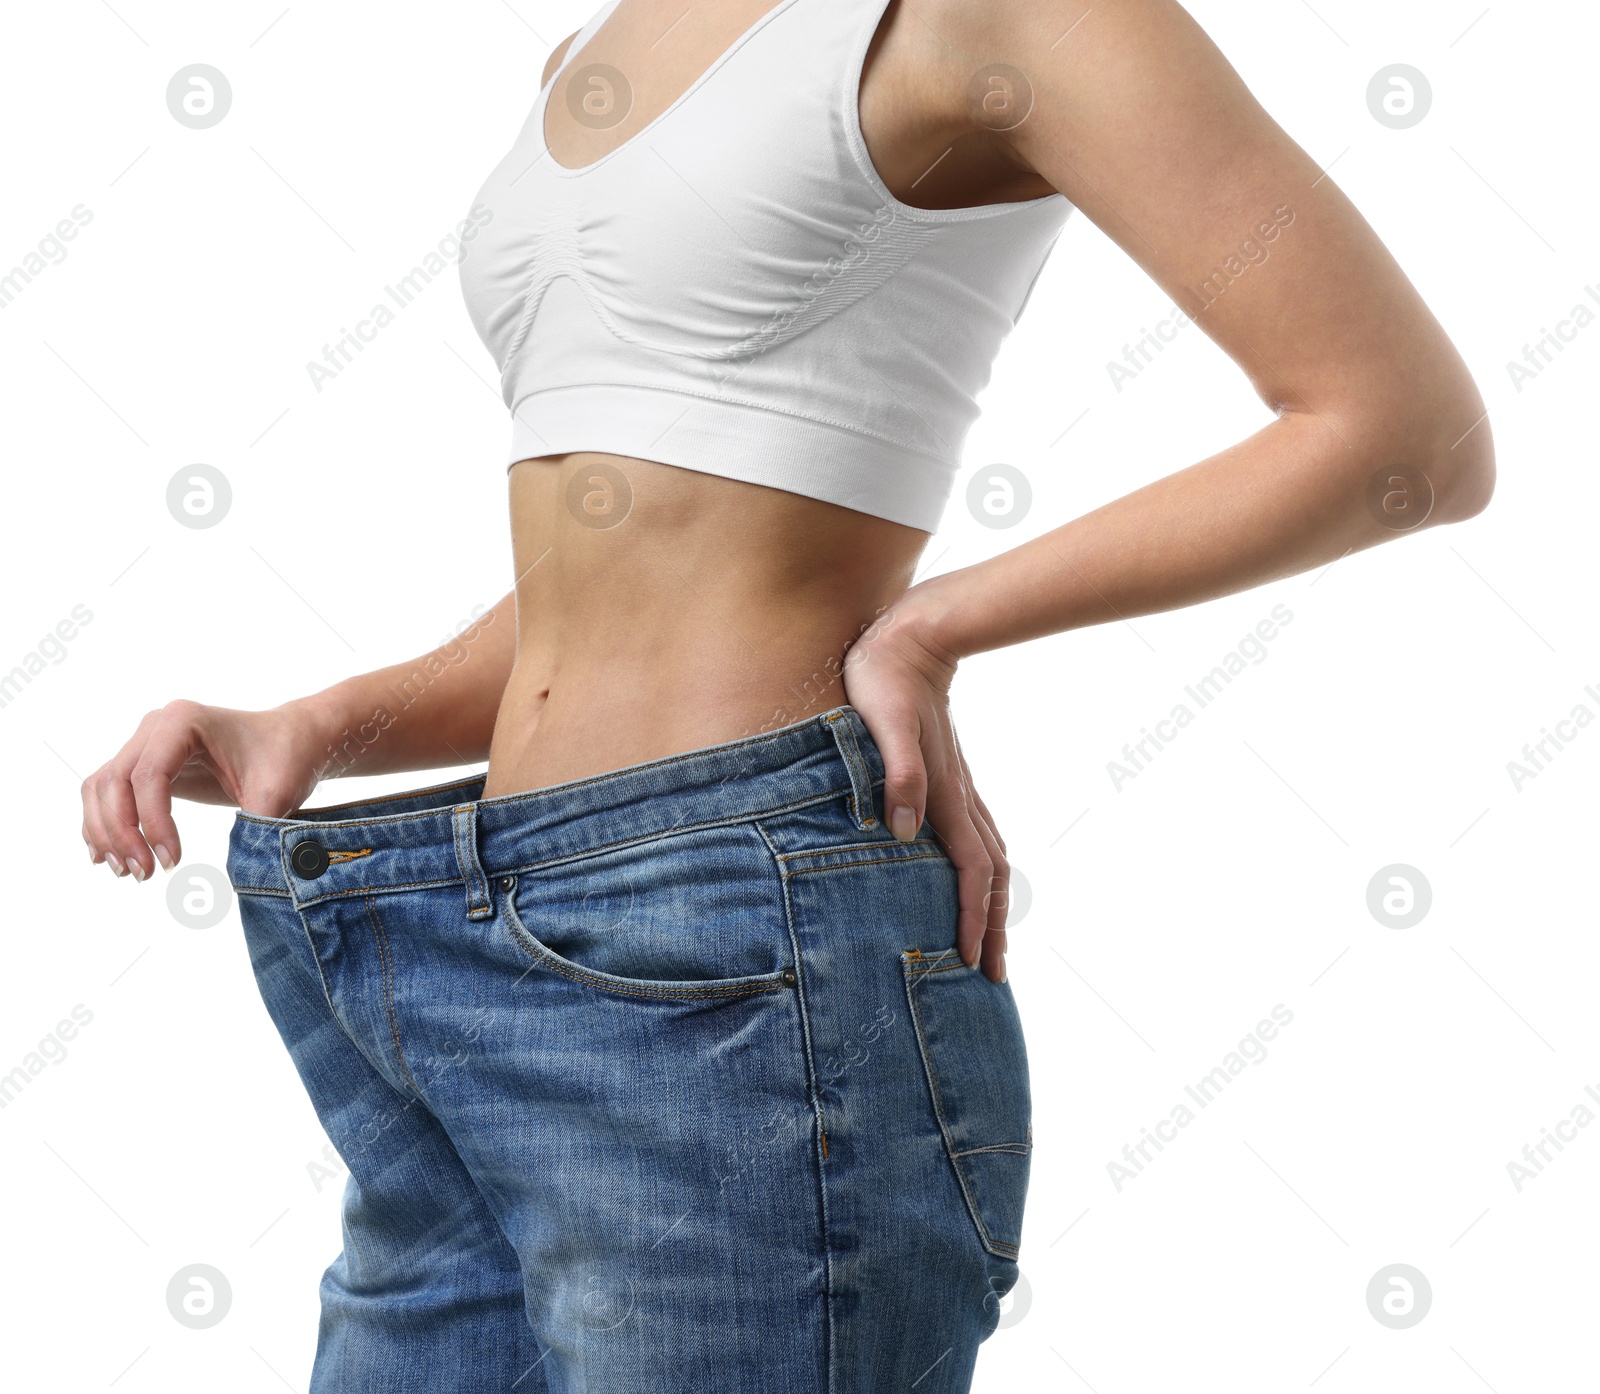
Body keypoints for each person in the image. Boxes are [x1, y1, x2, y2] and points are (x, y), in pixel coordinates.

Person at [79, 0, 1494, 1389]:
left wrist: (928, 628)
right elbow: (631, 566)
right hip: (439, 934)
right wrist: (323, 723)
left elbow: (1404, 431)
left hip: (732, 929)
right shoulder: (598, 50)